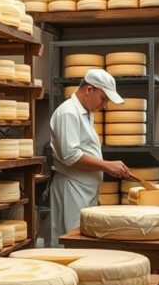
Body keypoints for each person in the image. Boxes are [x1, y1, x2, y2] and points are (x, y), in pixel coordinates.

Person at [49, 68, 131, 244]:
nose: (105, 105)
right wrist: (107, 165)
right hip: (72, 187)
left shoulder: (85, 113)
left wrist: (105, 166)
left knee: (82, 240)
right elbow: (71, 156)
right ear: (89, 90)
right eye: (104, 99)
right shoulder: (68, 113)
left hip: (83, 188)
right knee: (72, 241)